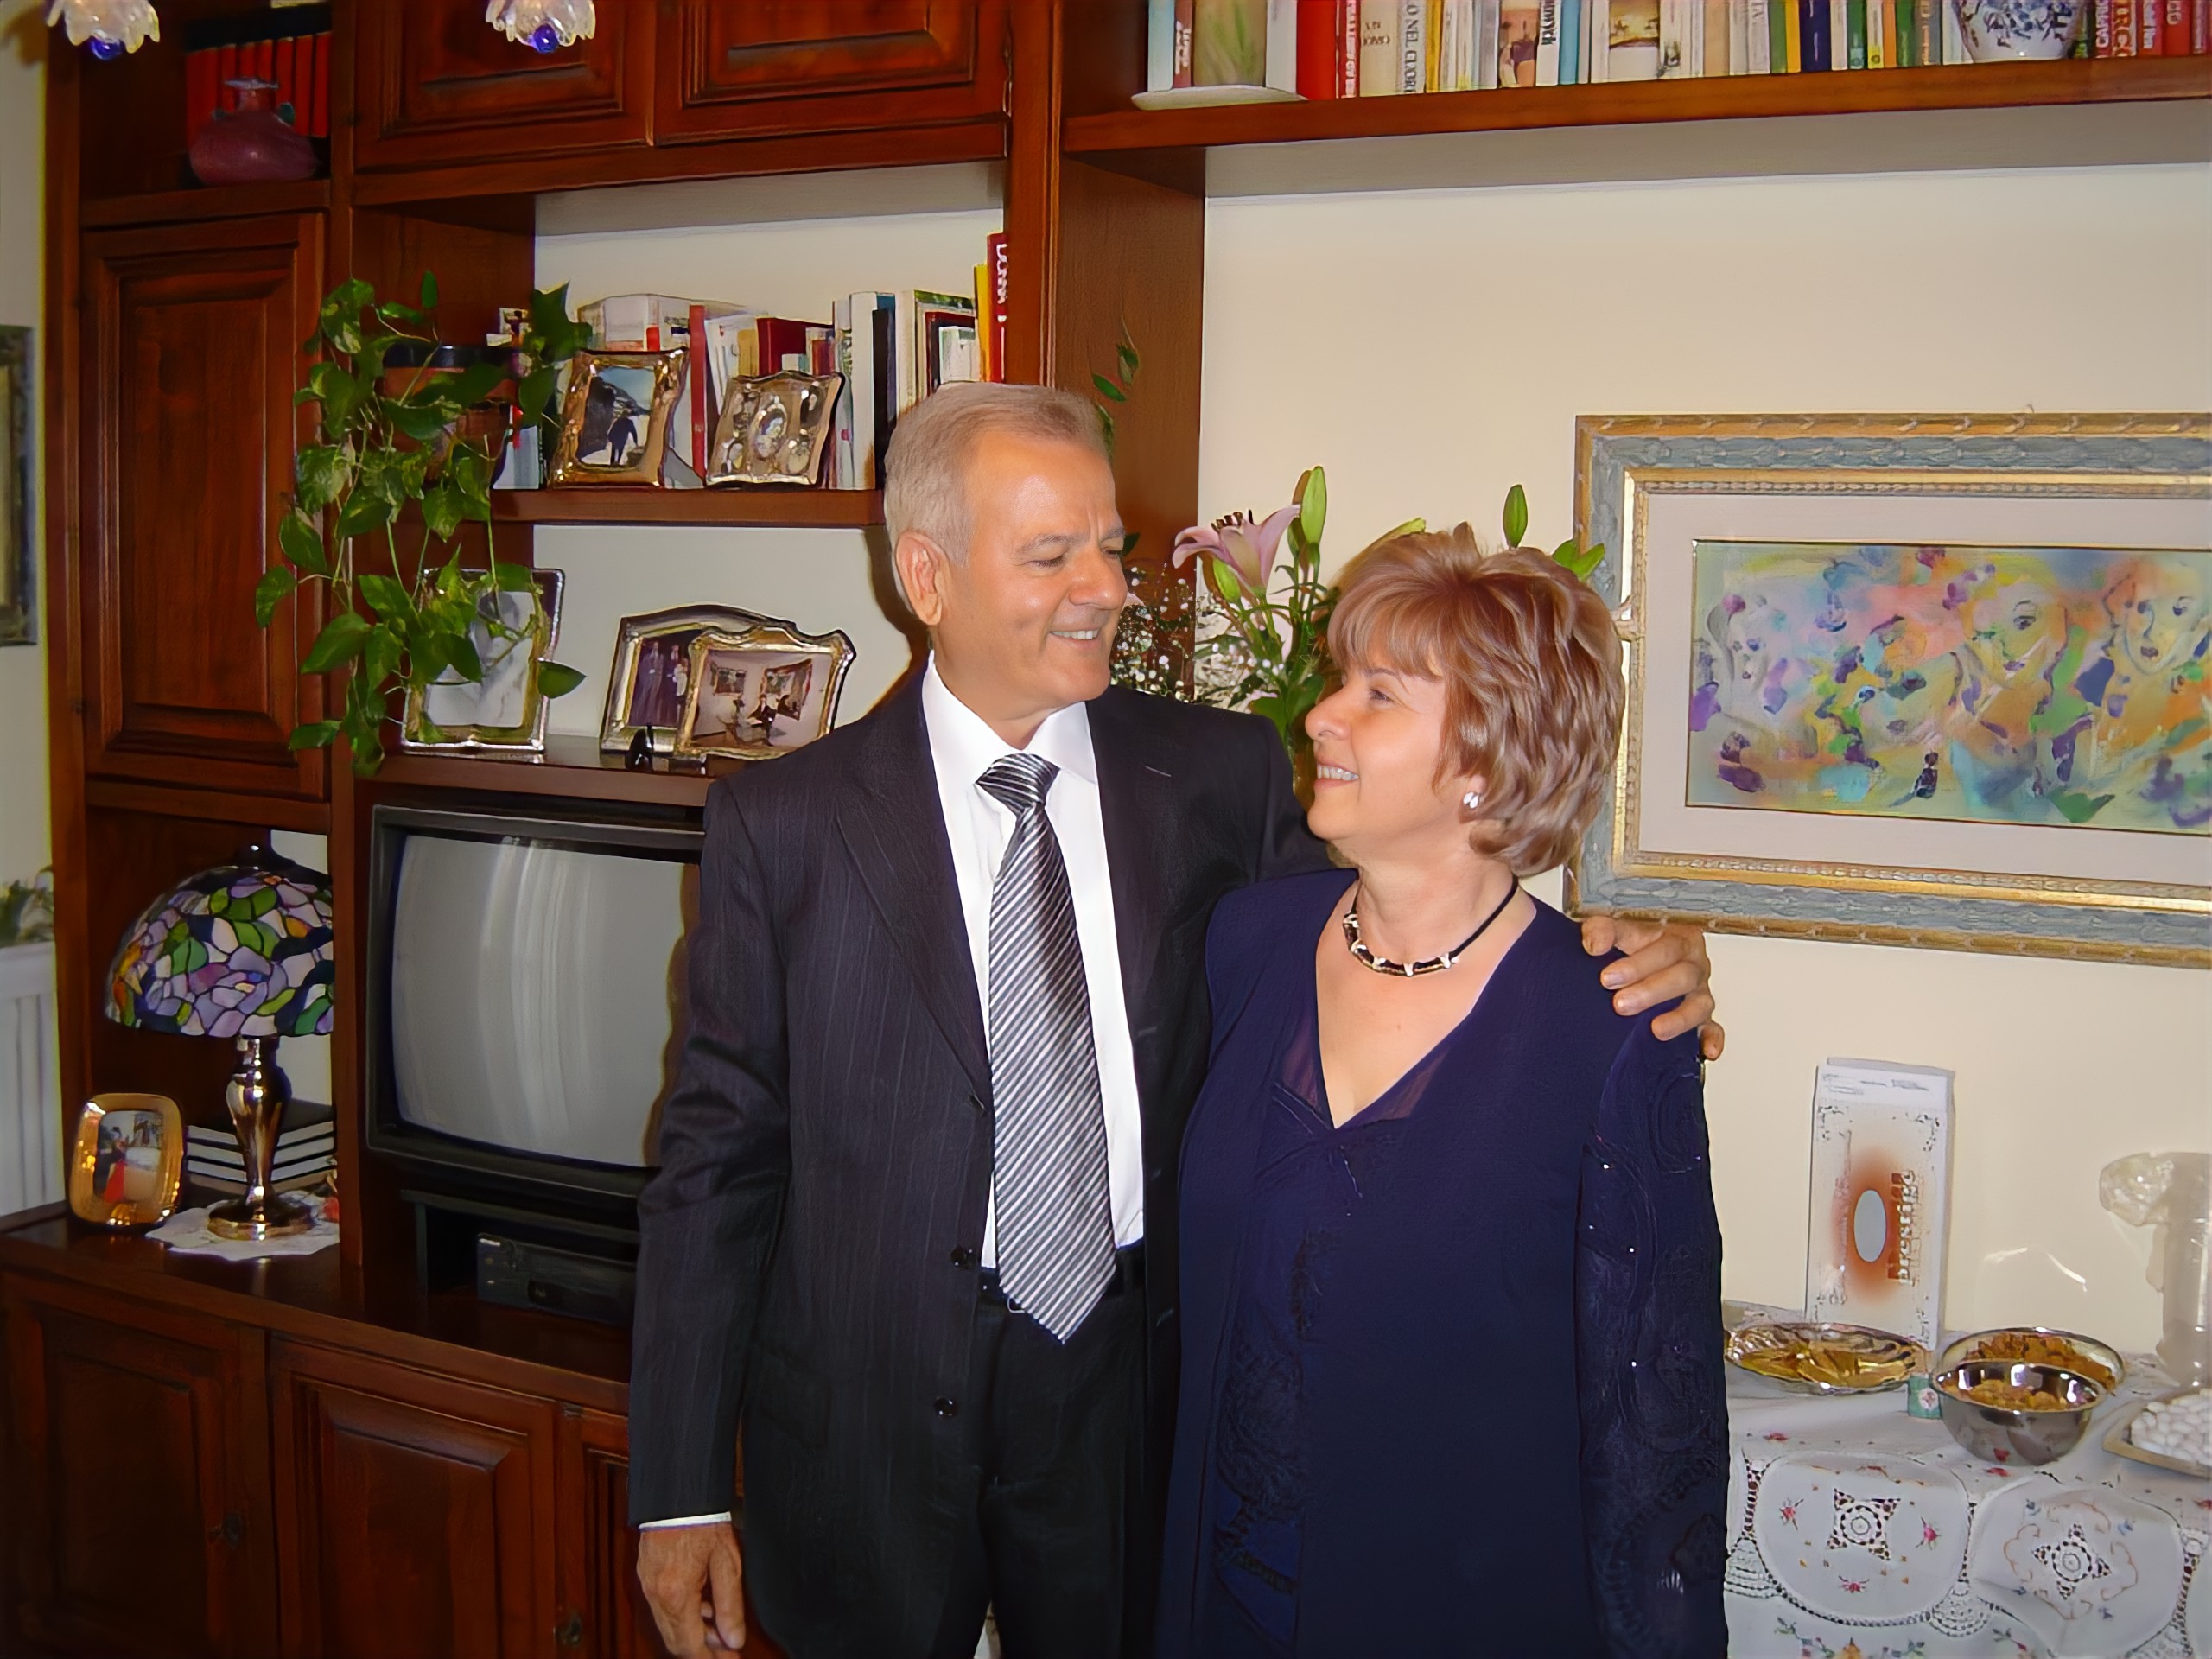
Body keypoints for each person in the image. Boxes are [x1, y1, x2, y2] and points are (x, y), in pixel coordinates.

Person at [628, 384, 1721, 1659]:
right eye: (1051, 555)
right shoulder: (785, 825)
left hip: (1135, 1408)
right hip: (861, 1430)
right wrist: (680, 1490)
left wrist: (1637, 947)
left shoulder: (1221, 774)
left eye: (1111, 546)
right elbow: (716, 1168)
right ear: (926, 576)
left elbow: (1421, 923)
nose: (1105, 587)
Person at [1157, 528, 1729, 1659]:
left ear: (1486, 759)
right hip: (1226, 1596)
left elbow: (1654, 1427)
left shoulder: (1611, 1027)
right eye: (1339, 679)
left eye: (1378, 694)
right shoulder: (1249, 942)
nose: (1322, 715)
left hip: (1460, 1603)